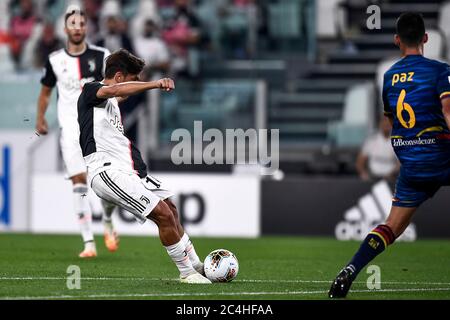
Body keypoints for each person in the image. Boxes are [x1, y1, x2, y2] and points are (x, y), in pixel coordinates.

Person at [329, 12, 450, 298]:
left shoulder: (389, 77)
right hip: (442, 156)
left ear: (397, 40)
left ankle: (349, 270)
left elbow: (392, 121)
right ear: (426, 39)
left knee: (390, 227)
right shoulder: (440, 71)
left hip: (412, 166)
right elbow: (447, 113)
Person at [77, 49, 211, 284]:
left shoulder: (110, 104)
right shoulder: (91, 90)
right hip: (106, 171)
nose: (137, 84)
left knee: (171, 209)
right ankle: (186, 272)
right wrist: (155, 84)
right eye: (134, 78)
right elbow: (116, 90)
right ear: (119, 76)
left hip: (131, 171)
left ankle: (196, 265)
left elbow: (119, 93)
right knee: (162, 214)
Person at [35, 6, 114, 258]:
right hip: (69, 129)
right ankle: (89, 243)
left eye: (81, 23)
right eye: (73, 23)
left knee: (106, 185)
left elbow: (115, 87)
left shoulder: (102, 56)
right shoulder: (55, 59)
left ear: (86, 27)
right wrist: (40, 119)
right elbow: (46, 92)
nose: (77, 27)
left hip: (99, 128)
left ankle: (109, 219)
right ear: (65, 28)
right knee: (79, 181)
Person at [356, 116, 399, 181]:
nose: (386, 125)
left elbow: (401, 163)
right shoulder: (371, 140)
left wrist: (392, 173)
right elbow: (360, 161)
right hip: (372, 178)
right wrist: (363, 174)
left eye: (388, 123)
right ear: (380, 124)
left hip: (390, 179)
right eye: (384, 122)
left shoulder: (397, 142)